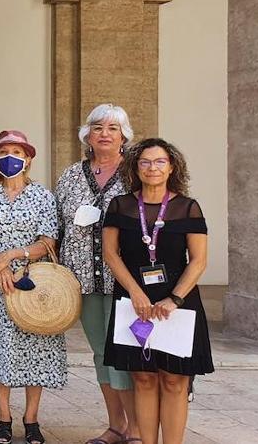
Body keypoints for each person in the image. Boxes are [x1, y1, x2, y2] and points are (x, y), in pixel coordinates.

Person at [103, 138, 212, 444]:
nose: (153, 168)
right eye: (145, 162)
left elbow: (199, 261)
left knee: (176, 380)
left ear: (172, 167)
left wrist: (174, 298)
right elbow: (111, 255)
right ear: (135, 168)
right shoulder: (120, 205)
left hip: (178, 302)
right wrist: (135, 292)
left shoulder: (188, 208)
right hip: (132, 301)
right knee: (143, 378)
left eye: (160, 162)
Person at [0, 129, 66, 444]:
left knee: (34, 348)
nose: (9, 157)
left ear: (27, 159)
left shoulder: (43, 196)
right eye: (3, 152)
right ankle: (3, 416)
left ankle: (32, 418)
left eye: (16, 152)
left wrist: (12, 255)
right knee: (1, 347)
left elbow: (47, 241)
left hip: (33, 281)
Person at [55, 104, 140, 444]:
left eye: (113, 128)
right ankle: (115, 426)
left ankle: (136, 429)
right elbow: (58, 224)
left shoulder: (135, 173)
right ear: (87, 135)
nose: (104, 133)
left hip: (124, 279)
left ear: (124, 137)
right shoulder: (71, 175)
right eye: (98, 127)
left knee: (125, 353)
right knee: (101, 353)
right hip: (83, 279)